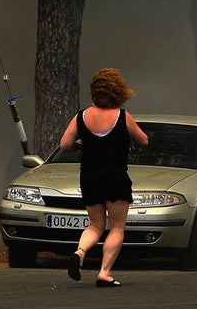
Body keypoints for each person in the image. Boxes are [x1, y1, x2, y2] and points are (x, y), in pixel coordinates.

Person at [59, 68, 149, 287]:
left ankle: (80, 253)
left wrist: (83, 143)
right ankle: (105, 272)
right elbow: (144, 140)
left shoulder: (81, 116)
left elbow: (65, 145)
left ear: (94, 92)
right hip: (115, 177)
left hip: (89, 176)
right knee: (117, 227)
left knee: (95, 225)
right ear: (118, 91)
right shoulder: (122, 116)